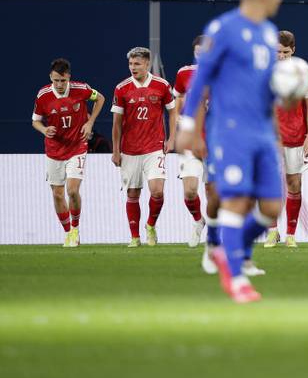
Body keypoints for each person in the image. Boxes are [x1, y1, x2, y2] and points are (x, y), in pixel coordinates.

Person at [178, 0, 286, 303]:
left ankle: (228, 248)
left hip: (262, 131)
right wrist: (187, 127)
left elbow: (267, 87)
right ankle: (236, 277)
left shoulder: (269, 34)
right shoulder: (222, 29)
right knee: (236, 200)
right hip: (231, 131)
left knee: (272, 207)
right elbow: (200, 79)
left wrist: (286, 100)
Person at [32, 58, 105, 247]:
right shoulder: (43, 95)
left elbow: (100, 98)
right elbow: (35, 121)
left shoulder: (81, 89)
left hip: (77, 147)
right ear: (51, 77)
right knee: (57, 194)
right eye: (56, 80)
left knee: (72, 190)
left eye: (63, 81)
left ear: (69, 78)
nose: (60, 84)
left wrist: (90, 123)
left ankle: (75, 229)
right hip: (54, 150)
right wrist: (44, 130)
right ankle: (67, 233)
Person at [111, 47, 176, 248]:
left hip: (154, 146)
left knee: (157, 191)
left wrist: (172, 138)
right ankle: (134, 237)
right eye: (131, 64)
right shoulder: (122, 88)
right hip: (130, 150)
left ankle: (150, 226)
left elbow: (173, 112)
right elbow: (117, 123)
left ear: (147, 64)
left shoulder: (162, 85)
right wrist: (115, 150)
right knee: (132, 194)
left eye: (137, 64)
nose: (133, 67)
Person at [265, 30, 308, 248]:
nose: (281, 56)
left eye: (285, 52)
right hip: (271, 139)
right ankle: (272, 231)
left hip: (296, 138)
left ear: (293, 50)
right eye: (277, 52)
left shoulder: (302, 73)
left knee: (294, 184)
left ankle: (291, 234)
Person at [173, 36, 209, 248]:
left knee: (214, 192)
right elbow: (177, 97)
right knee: (190, 191)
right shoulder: (184, 73)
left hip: (214, 142)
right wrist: (178, 115)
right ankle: (198, 221)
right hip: (191, 142)